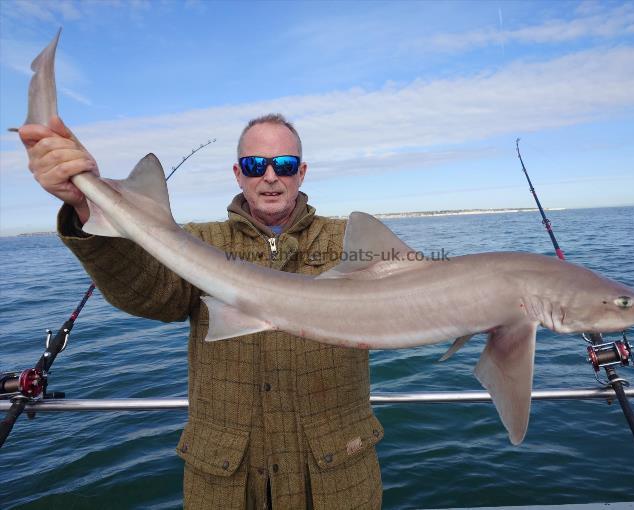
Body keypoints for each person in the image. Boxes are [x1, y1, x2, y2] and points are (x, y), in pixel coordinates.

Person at [20, 114, 383, 509]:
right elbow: (148, 294)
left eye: (285, 165)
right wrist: (84, 206)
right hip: (226, 480)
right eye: (254, 165)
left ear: (301, 173)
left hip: (336, 478)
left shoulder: (350, 242)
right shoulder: (197, 242)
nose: (270, 176)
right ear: (238, 174)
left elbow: (413, 294)